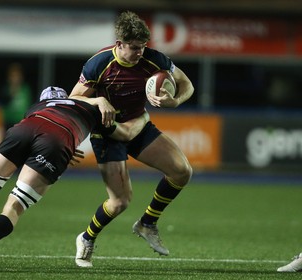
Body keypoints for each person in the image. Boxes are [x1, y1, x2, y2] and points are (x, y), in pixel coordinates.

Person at [0, 86, 150, 268]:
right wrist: (143, 118)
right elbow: (123, 133)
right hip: (58, 139)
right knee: (14, 206)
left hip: (25, 127)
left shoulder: (37, 106)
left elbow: (42, 129)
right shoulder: (88, 106)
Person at [69, 11, 194, 267]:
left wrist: (175, 101)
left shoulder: (154, 59)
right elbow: (74, 99)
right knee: (119, 202)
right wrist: (97, 99)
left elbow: (187, 84)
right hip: (107, 132)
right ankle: (86, 237)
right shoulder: (99, 64)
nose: (140, 53)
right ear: (119, 44)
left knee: (182, 171)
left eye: (143, 47)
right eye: (135, 48)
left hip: (138, 125)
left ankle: (147, 223)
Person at [0, 63, 33, 131]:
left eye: (17, 76)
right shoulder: (6, 89)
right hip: (9, 121)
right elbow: (3, 102)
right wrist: (11, 93)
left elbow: (29, 105)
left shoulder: (25, 89)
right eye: (13, 76)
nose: (15, 78)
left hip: (22, 121)